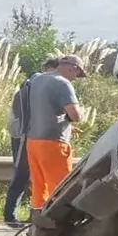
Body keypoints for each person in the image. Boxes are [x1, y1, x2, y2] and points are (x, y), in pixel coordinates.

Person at [25, 54, 87, 211]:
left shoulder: (36, 80)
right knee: (61, 188)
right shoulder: (63, 83)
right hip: (54, 143)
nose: (76, 78)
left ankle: (38, 217)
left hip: (32, 141)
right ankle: (60, 220)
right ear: (72, 68)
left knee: (39, 186)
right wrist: (81, 113)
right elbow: (75, 116)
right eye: (77, 73)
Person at [3, 59, 58, 226]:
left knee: (35, 176)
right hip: (26, 136)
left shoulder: (32, 86)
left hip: (29, 136)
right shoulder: (31, 87)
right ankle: (10, 216)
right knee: (23, 173)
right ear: (48, 69)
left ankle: (32, 213)